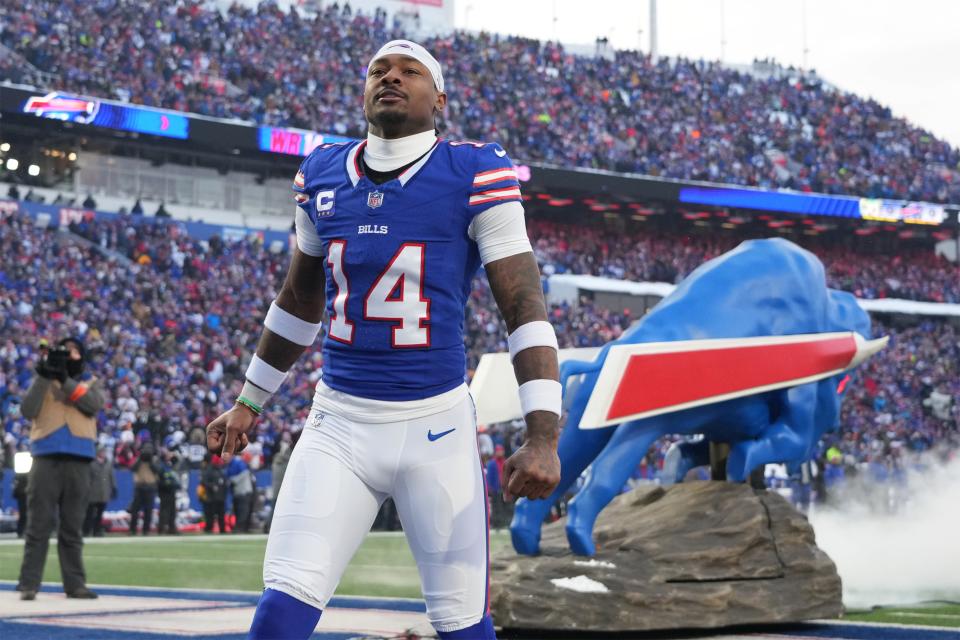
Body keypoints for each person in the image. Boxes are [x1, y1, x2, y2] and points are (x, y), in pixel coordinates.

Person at [206, 40, 561, 639]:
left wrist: (544, 434)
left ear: (438, 99)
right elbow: (299, 300)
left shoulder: (474, 169)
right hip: (339, 424)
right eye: (379, 70)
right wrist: (248, 402)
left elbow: (522, 303)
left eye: (409, 71)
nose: (391, 78)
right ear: (363, 90)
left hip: (437, 425)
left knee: (463, 626)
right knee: (279, 613)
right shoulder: (320, 172)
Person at [17, 337, 103, 601]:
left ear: (82, 356)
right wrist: (45, 376)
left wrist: (64, 379)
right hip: (45, 455)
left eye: (74, 350)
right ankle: (29, 584)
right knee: (38, 524)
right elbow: (27, 409)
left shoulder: (89, 381)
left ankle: (75, 584)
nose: (69, 354)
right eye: (65, 351)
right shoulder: (42, 381)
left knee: (72, 525)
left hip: (79, 456)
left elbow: (92, 405)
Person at [83, 445, 116, 537]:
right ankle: (86, 530)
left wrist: (114, 487)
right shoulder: (91, 463)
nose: (103, 453)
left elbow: (111, 476)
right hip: (93, 492)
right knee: (89, 514)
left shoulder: (108, 463)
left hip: (104, 492)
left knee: (100, 514)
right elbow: (87, 478)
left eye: (104, 451)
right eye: (102, 451)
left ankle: (97, 531)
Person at [129, 444, 159, 535]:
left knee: (148, 510)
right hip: (139, 486)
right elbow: (132, 468)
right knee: (135, 510)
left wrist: (150, 462)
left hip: (150, 486)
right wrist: (140, 459)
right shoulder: (138, 460)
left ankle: (146, 530)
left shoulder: (155, 460)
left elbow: (157, 470)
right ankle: (133, 529)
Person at [225, 455, 254, 533]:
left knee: (243, 511)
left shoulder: (238, 462)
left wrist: (233, 480)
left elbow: (245, 473)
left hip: (243, 491)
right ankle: (240, 528)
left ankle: (241, 528)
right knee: (238, 511)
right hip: (237, 492)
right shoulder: (230, 465)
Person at [200, 454, 227, 534]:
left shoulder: (221, 469)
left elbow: (224, 482)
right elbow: (204, 482)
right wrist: (212, 486)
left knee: (221, 515)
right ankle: (209, 529)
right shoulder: (208, 470)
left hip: (220, 497)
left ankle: (222, 529)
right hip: (211, 497)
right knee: (210, 515)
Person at [157, 450, 181, 535]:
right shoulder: (161, 467)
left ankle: (171, 528)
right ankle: (162, 528)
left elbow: (178, 459)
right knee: (164, 511)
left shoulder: (169, 465)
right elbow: (159, 481)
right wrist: (168, 484)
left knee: (172, 511)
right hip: (164, 491)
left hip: (171, 491)